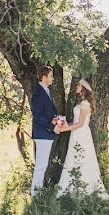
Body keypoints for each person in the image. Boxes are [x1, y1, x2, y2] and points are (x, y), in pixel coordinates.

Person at [55, 79, 109, 198]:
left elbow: (80, 124)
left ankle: (85, 189)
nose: (77, 86)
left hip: (81, 134)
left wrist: (64, 129)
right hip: (76, 133)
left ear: (83, 88)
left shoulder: (85, 104)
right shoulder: (82, 102)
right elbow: (75, 122)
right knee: (74, 157)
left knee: (82, 158)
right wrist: (63, 124)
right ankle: (72, 186)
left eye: (79, 85)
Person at [30, 65, 60, 197]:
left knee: (43, 165)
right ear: (44, 77)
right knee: (41, 166)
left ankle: (38, 192)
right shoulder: (38, 93)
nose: (52, 79)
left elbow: (48, 113)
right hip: (42, 134)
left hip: (46, 134)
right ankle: (36, 195)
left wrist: (57, 120)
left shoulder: (46, 91)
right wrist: (52, 126)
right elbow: (37, 116)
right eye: (51, 76)